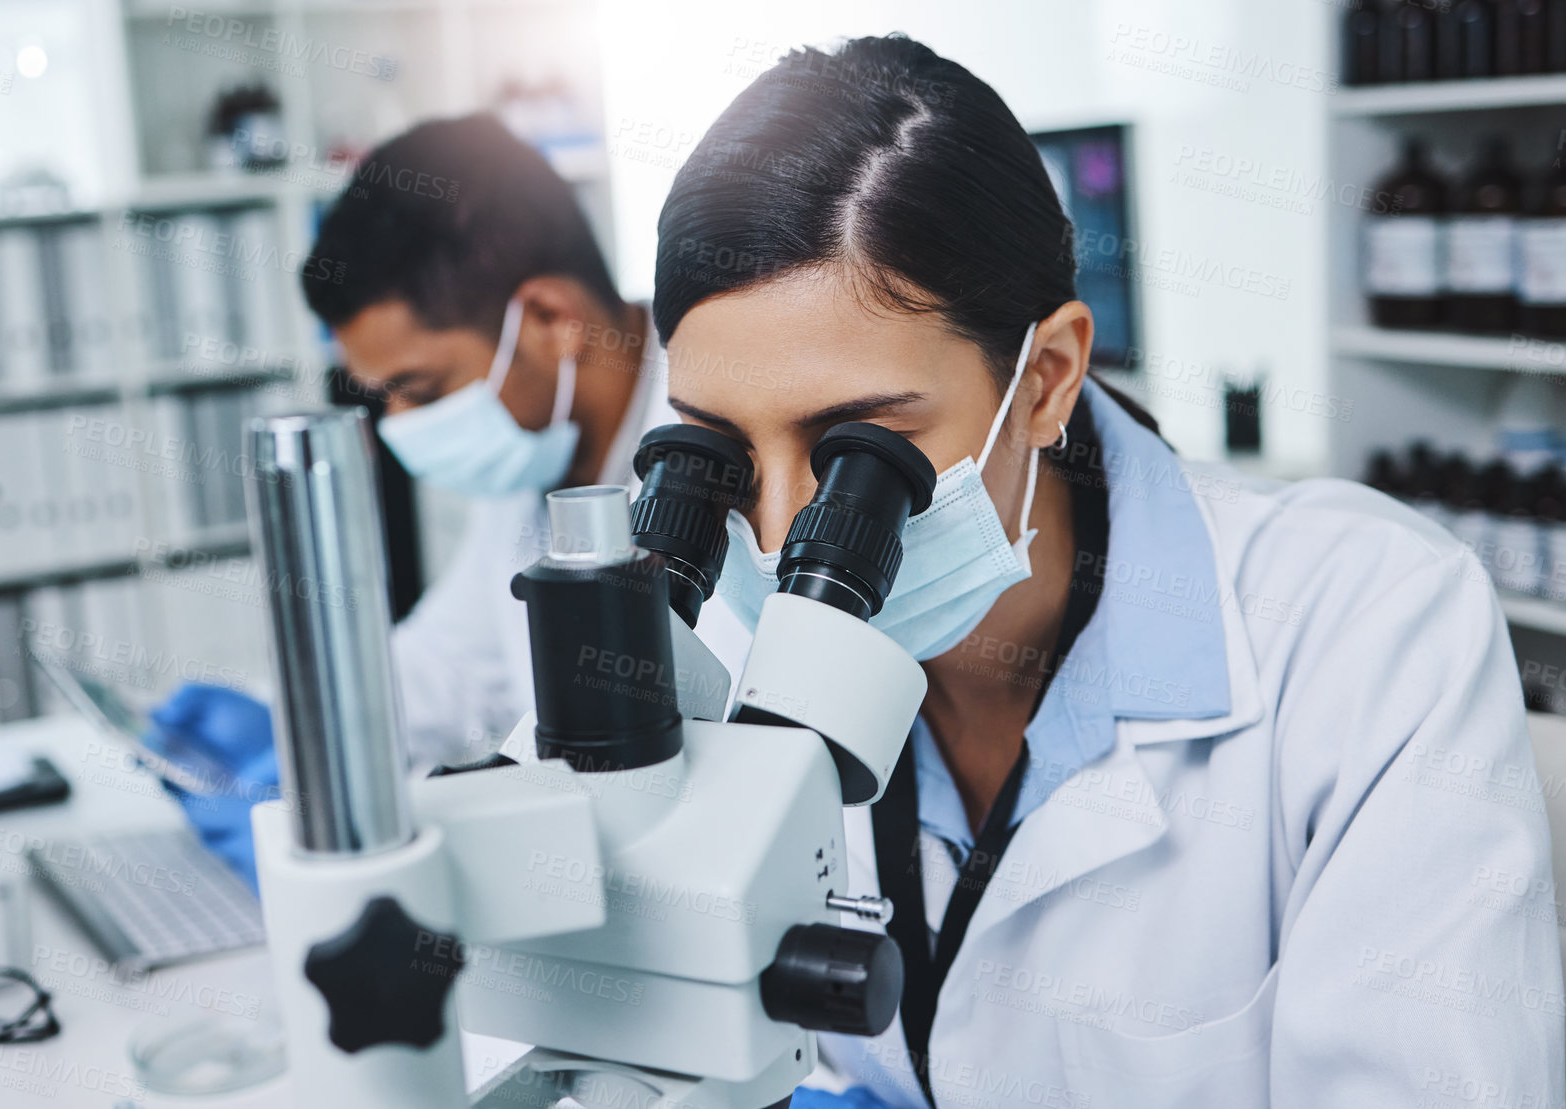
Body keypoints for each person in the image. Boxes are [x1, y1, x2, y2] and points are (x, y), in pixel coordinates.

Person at [653, 35, 1564, 1109]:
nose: (774, 538)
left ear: (1044, 378)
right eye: (719, 454)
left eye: (855, 453)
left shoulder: (1365, 624)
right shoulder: (711, 646)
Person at [152, 114, 747, 885]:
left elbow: (678, 786)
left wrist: (387, 836)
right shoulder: (545, 449)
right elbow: (454, 668)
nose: (398, 425)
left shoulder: (730, 453)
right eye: (380, 395)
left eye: (418, 388)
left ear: (549, 320)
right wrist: (300, 721)